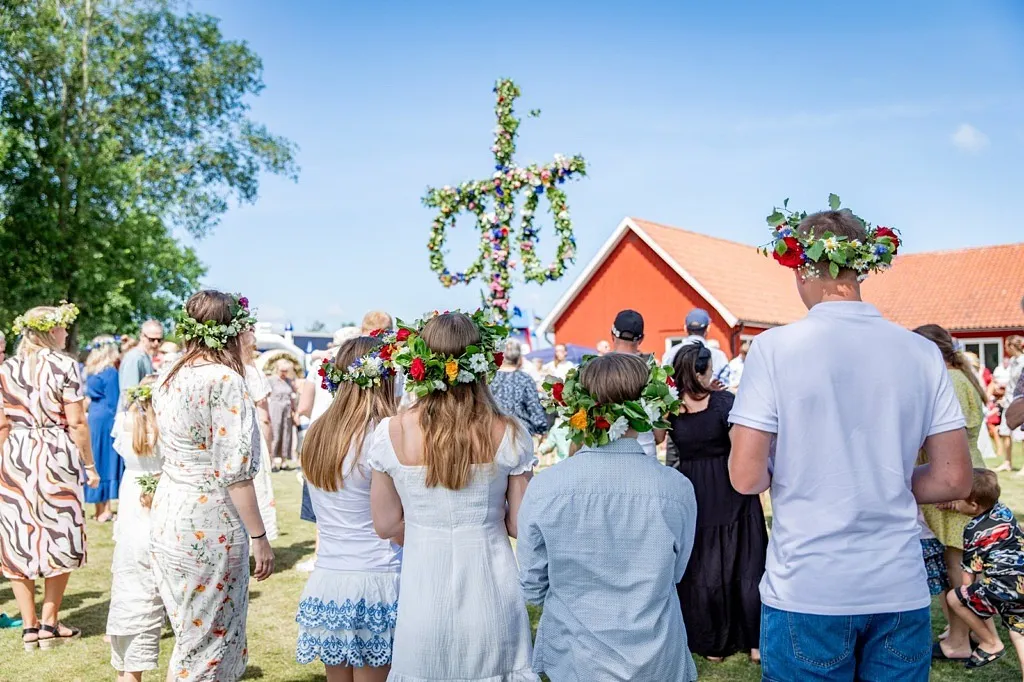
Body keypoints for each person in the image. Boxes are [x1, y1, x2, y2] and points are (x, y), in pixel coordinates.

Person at [728, 206, 972, 681]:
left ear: (800, 268)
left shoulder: (775, 348)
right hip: (896, 585)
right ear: (860, 269)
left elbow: (746, 476)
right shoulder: (921, 352)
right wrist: (881, 482)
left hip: (808, 585)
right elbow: (952, 476)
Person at [368, 311, 538, 681]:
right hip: (490, 580)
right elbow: (520, 525)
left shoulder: (391, 432)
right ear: (479, 362)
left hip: (424, 582)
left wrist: (426, 527)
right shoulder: (508, 432)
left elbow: (384, 524)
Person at [517, 353, 697, 681]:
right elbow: (677, 571)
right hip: (654, 653)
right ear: (646, 407)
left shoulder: (547, 487)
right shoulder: (676, 488)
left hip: (576, 656)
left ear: (580, 408)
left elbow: (531, 581)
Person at [151, 291, 274, 681]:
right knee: (209, 641)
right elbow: (234, 471)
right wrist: (259, 535)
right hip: (210, 519)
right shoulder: (224, 380)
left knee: (192, 631)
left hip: (169, 512)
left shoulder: (170, 375)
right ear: (232, 332)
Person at [296, 336, 403, 681]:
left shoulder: (318, 432)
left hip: (330, 580)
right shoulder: (383, 435)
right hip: (378, 577)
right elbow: (391, 517)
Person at [0, 302, 100, 651]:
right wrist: (89, 466)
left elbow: (2, 422)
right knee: (60, 530)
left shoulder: (6, 368)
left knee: (17, 534)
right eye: (62, 329)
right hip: (55, 451)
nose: (66, 334)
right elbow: (76, 422)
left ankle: (29, 628)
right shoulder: (65, 366)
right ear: (50, 331)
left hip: (16, 451)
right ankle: (50, 622)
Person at [669, 343, 767, 663]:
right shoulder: (725, 402)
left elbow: (659, 439)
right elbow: (742, 446)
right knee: (747, 561)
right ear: (702, 371)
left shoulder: (668, 407)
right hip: (730, 482)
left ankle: (712, 645)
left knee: (703, 564)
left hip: (693, 488)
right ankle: (755, 643)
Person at [106, 378, 165, 682]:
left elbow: (121, 453)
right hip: (159, 488)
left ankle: (124, 640)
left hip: (133, 489)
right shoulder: (165, 424)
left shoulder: (125, 420)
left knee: (130, 557)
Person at [945, 469, 1024, 672]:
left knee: (955, 598)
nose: (954, 502)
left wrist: (967, 597)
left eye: (957, 499)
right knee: (1020, 631)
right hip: (1021, 581)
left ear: (973, 505)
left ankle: (990, 643)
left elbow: (970, 570)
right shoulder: (1002, 510)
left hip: (1004, 585)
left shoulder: (973, 530)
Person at [609, 309, 664, 457]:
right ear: (641, 339)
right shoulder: (654, 373)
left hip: (606, 452)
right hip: (644, 450)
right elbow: (660, 435)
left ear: (612, 334)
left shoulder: (596, 370)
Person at [241, 330, 278, 542]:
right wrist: (269, 448)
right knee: (255, 490)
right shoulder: (252, 372)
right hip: (251, 438)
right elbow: (264, 417)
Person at [84, 335, 123, 523]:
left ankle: (99, 508)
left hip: (93, 417)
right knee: (106, 461)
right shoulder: (110, 373)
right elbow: (115, 400)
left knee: (96, 459)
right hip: (107, 418)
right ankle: (105, 510)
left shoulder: (91, 371)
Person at [491, 339, 549, 437]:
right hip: (520, 434)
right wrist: (542, 429)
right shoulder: (525, 379)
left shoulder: (490, 379)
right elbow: (534, 409)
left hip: (493, 433)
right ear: (519, 358)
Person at [661, 308, 730, 385]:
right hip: (712, 396)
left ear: (685, 328)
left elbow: (664, 382)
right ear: (708, 328)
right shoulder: (719, 356)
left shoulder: (670, 353)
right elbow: (724, 387)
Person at [118, 319, 163, 407]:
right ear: (142, 336)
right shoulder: (135, 358)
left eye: (159, 340)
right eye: (152, 339)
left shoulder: (145, 356)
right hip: (131, 417)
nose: (156, 343)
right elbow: (129, 396)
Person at [267, 358, 298, 470]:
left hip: (287, 410)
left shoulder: (289, 381)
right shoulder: (271, 380)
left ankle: (284, 461)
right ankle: (273, 461)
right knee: (275, 434)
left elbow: (293, 397)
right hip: (275, 408)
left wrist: (295, 411)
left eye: (286, 371)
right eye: (282, 370)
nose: (284, 373)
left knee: (287, 434)